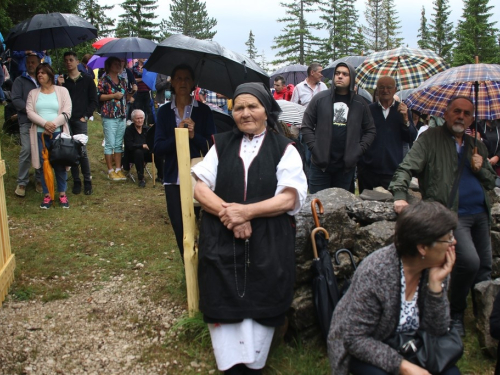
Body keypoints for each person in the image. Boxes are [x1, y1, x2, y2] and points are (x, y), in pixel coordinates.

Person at [192, 82, 307, 374]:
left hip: (267, 241)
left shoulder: (285, 149)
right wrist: (229, 214)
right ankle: (229, 364)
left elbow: (289, 196)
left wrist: (247, 212)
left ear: (266, 111)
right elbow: (199, 187)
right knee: (223, 293)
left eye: (252, 106)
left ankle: (255, 361)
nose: (245, 113)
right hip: (223, 238)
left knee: (261, 294)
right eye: (239, 107)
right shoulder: (221, 145)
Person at [389, 96, 497, 337]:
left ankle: (485, 320)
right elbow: (406, 168)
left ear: (471, 118)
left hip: (480, 213)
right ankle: (456, 313)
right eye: (456, 111)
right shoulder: (430, 139)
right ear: (446, 113)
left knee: (485, 268)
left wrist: (481, 167)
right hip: (450, 215)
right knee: (470, 261)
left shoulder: (474, 144)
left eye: (467, 113)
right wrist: (399, 194)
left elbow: (490, 181)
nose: (461, 116)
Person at [328, 201, 460, 375]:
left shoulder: (435, 267)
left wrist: (435, 287)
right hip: (371, 346)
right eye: (448, 238)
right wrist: (403, 367)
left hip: (412, 344)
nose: (454, 242)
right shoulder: (377, 272)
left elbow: (437, 332)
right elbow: (355, 339)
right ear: (422, 247)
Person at [154, 64, 216, 260]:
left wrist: (193, 135)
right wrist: (178, 135)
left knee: (206, 228)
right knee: (180, 230)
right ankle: (189, 273)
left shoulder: (204, 111)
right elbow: (158, 148)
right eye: (178, 78)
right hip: (173, 179)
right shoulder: (164, 112)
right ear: (171, 82)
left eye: (187, 78)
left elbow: (212, 147)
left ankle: (206, 271)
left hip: (200, 179)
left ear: (193, 84)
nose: (182, 82)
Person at [301, 62, 376, 193]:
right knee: (317, 205)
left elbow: (370, 130)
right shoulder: (320, 98)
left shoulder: (360, 103)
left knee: (340, 209)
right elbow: (306, 126)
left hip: (345, 167)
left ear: (351, 78)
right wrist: (315, 148)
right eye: (337, 73)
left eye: (344, 74)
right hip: (320, 165)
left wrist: (358, 150)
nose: (340, 76)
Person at [357, 76, 417, 193]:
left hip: (392, 170)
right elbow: (360, 136)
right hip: (368, 170)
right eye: (382, 87)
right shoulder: (368, 110)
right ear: (377, 90)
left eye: (389, 87)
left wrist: (405, 119)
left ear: (395, 89)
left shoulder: (403, 110)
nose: (385, 90)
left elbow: (410, 137)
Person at [26, 63, 72, 209]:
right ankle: (47, 195)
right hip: (40, 134)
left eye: (43, 73)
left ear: (50, 75)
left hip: (58, 133)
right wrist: (45, 124)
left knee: (60, 163)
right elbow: (30, 112)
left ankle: (62, 194)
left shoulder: (62, 91)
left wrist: (53, 125)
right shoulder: (33, 93)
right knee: (43, 165)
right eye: (38, 73)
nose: (40, 75)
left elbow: (67, 111)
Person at [58, 51, 98, 195]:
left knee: (82, 151)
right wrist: (59, 86)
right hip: (67, 120)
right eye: (66, 60)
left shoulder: (87, 80)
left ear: (76, 62)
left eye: (70, 60)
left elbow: (94, 100)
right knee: (70, 151)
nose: (68, 62)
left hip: (80, 119)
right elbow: (59, 101)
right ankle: (76, 181)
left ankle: (87, 181)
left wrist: (86, 116)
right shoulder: (63, 82)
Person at [11, 53, 42, 197]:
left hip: (42, 121)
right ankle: (22, 181)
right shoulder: (20, 80)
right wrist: (30, 111)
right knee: (27, 150)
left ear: (38, 63)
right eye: (28, 62)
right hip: (26, 121)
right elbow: (15, 99)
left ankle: (39, 179)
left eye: (33, 62)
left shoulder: (44, 80)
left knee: (41, 151)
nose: (30, 64)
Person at [97, 56, 128, 181]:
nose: (118, 66)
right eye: (115, 64)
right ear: (109, 66)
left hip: (121, 115)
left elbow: (126, 96)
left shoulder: (122, 80)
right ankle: (110, 170)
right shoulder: (104, 80)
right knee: (110, 143)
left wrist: (132, 92)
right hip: (109, 115)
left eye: (119, 63)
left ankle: (118, 169)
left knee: (119, 144)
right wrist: (113, 95)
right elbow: (99, 96)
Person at [123, 109, 162, 187]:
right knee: (138, 152)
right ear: (133, 119)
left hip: (146, 154)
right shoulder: (129, 130)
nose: (140, 120)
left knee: (159, 152)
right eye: (137, 118)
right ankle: (141, 178)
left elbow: (152, 141)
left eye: (141, 118)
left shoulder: (147, 129)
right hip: (132, 155)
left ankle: (161, 176)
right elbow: (129, 145)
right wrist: (142, 145)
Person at [131, 58, 153, 124]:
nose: (144, 58)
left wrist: (144, 75)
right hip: (138, 92)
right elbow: (133, 80)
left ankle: (149, 125)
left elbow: (150, 78)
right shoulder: (134, 68)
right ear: (138, 58)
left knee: (149, 110)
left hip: (147, 91)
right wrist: (142, 79)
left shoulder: (148, 67)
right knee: (139, 109)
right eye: (142, 57)